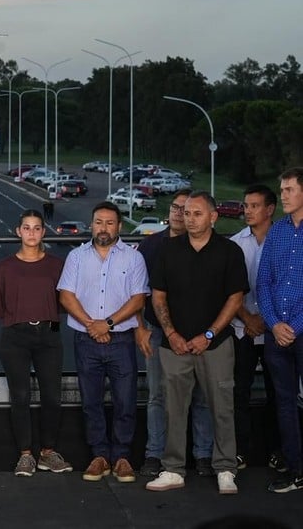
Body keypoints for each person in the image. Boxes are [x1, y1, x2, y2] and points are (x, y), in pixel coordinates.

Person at [146, 191, 247, 495]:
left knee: (221, 407)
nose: (189, 219)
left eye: (197, 213)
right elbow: (158, 295)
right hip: (174, 345)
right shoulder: (168, 250)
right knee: (174, 408)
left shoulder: (229, 251)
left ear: (213, 217)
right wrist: (173, 334)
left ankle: (225, 468)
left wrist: (209, 335)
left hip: (216, 345)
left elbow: (236, 297)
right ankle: (173, 469)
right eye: (186, 213)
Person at [58, 201, 148, 484]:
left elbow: (138, 299)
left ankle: (122, 457)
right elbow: (66, 296)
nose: (104, 228)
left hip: (121, 340)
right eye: (99, 222)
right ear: (91, 225)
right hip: (86, 340)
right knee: (91, 402)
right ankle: (98, 456)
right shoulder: (76, 257)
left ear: (119, 227)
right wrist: (91, 325)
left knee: (125, 401)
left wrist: (106, 324)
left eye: (110, 223)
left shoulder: (133, 259)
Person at [135, 189, 215, 477]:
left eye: (187, 209)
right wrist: (140, 328)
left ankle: (203, 455)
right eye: (175, 207)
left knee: (200, 396)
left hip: (197, 335)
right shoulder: (151, 246)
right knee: (157, 395)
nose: (179, 213)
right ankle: (154, 454)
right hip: (157, 332)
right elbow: (138, 292)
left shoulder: (203, 246)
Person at [0, 209, 71, 477]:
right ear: (18, 231)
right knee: (21, 396)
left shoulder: (57, 265)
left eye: (37, 228)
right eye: (27, 227)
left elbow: (64, 302)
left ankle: (48, 452)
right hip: (15, 337)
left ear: (43, 232)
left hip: (48, 336)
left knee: (52, 396)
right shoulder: (4, 267)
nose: (32, 233)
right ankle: (25, 455)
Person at [229, 184, 283, 472]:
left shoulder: (285, 239)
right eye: (245, 205)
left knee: (279, 393)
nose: (247, 211)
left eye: (254, 205)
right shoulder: (236, 243)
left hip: (277, 331)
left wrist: (267, 319)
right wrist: (249, 319)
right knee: (239, 392)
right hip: (243, 329)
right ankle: (240, 451)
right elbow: (229, 289)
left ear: (270, 209)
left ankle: (279, 451)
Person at [258, 167, 303, 493]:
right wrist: (274, 324)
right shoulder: (277, 233)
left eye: (288, 190)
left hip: (300, 332)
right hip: (277, 335)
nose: (282, 195)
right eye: (282, 189)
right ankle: (295, 467)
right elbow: (262, 283)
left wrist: (294, 327)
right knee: (284, 403)